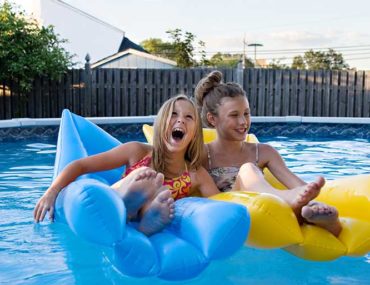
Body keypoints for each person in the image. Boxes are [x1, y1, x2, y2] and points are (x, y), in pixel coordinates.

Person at [34, 95, 220, 236]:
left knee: (160, 197)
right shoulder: (137, 152)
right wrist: (52, 191)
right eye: (173, 114)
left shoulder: (196, 174)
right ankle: (127, 202)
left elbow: (222, 205)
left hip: (146, 217)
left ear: (195, 132)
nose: (180, 120)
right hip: (113, 201)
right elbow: (80, 166)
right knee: (146, 178)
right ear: (161, 123)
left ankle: (146, 218)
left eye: (189, 117)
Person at [194, 71, 342, 237]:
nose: (243, 122)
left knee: (301, 206)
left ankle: (323, 219)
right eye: (234, 115)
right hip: (230, 214)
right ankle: (289, 200)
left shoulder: (263, 152)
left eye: (246, 113)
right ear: (212, 119)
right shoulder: (200, 154)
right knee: (248, 169)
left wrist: (310, 198)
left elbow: (298, 185)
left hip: (267, 210)